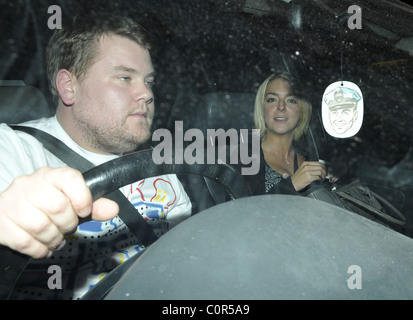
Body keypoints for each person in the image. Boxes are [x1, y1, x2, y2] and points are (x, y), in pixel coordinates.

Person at [0, 13, 191, 299]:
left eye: (148, 81)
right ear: (68, 86)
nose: (146, 94)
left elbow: (184, 267)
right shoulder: (13, 149)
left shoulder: (158, 165)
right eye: (125, 77)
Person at [246, 71, 337, 195]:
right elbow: (243, 209)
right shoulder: (244, 157)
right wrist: (292, 185)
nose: (281, 107)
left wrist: (333, 182)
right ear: (262, 108)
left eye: (291, 101)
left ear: (302, 110)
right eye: (272, 99)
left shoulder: (308, 159)